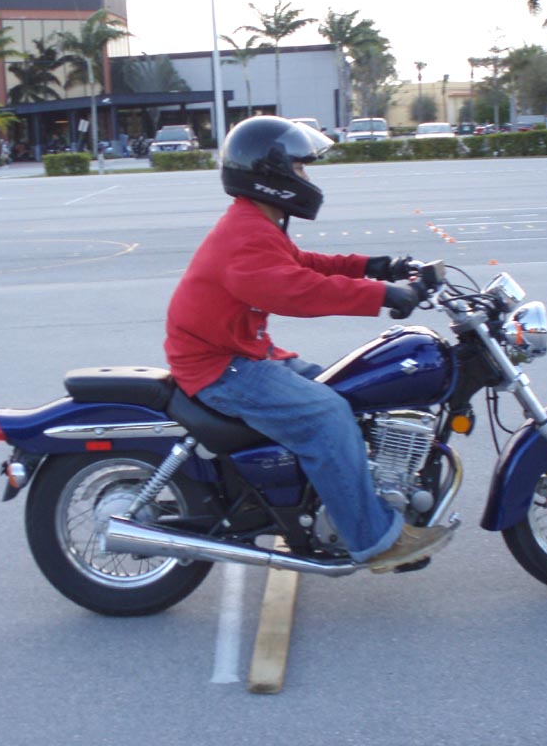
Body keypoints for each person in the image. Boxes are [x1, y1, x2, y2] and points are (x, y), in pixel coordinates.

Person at [164, 115, 453, 573]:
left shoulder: (257, 222)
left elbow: (305, 263)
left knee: (346, 391)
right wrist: (382, 295)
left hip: (241, 352)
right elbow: (296, 290)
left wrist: (378, 266)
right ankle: (373, 541)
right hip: (219, 366)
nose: (305, 177)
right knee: (327, 415)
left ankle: (333, 500)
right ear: (270, 174)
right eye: (299, 168)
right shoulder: (245, 235)